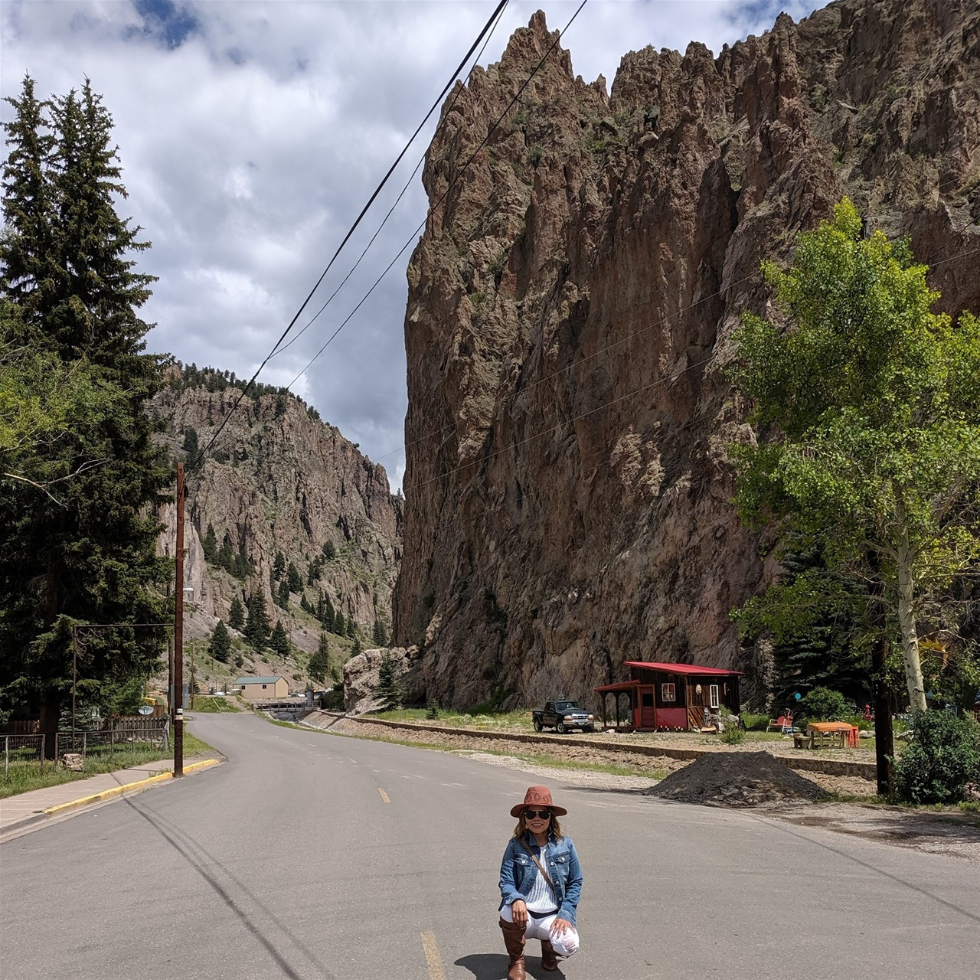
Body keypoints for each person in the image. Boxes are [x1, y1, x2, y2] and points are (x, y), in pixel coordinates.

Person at [498, 786, 582, 979]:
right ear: (524, 818)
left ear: (551, 817)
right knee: (507, 910)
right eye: (531, 813)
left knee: (569, 945)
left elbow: (576, 881)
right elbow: (506, 879)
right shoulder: (515, 845)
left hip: (552, 915)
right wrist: (516, 898)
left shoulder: (566, 844)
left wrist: (566, 913)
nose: (537, 818)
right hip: (524, 914)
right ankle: (517, 960)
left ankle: (549, 948)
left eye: (543, 814)